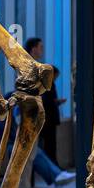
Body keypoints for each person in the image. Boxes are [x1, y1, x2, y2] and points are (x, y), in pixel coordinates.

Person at [0, 97, 75, 188]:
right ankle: (55, 176)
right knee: (29, 151)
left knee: (32, 151)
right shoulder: (8, 116)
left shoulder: (13, 114)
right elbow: (18, 136)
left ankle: (55, 175)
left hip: (4, 144)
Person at [25, 37, 65, 169]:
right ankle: (53, 172)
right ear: (33, 48)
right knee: (41, 147)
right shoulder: (29, 67)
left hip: (43, 112)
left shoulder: (37, 67)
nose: (42, 50)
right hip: (36, 113)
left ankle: (53, 171)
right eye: (40, 47)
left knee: (43, 146)